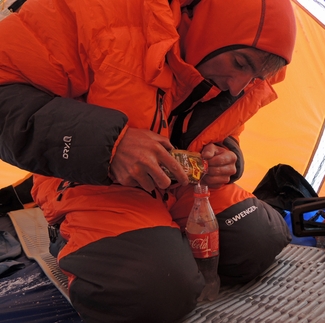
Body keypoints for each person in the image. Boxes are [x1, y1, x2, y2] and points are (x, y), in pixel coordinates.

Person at [0, 0, 296, 321]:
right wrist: (111, 145)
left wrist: (228, 155)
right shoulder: (96, 11)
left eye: (254, 77)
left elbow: (224, 127)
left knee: (259, 240)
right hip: (93, 179)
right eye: (239, 63)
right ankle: (69, 237)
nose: (238, 86)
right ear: (202, 20)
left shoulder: (241, 77)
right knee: (154, 289)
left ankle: (162, 242)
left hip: (181, 185)